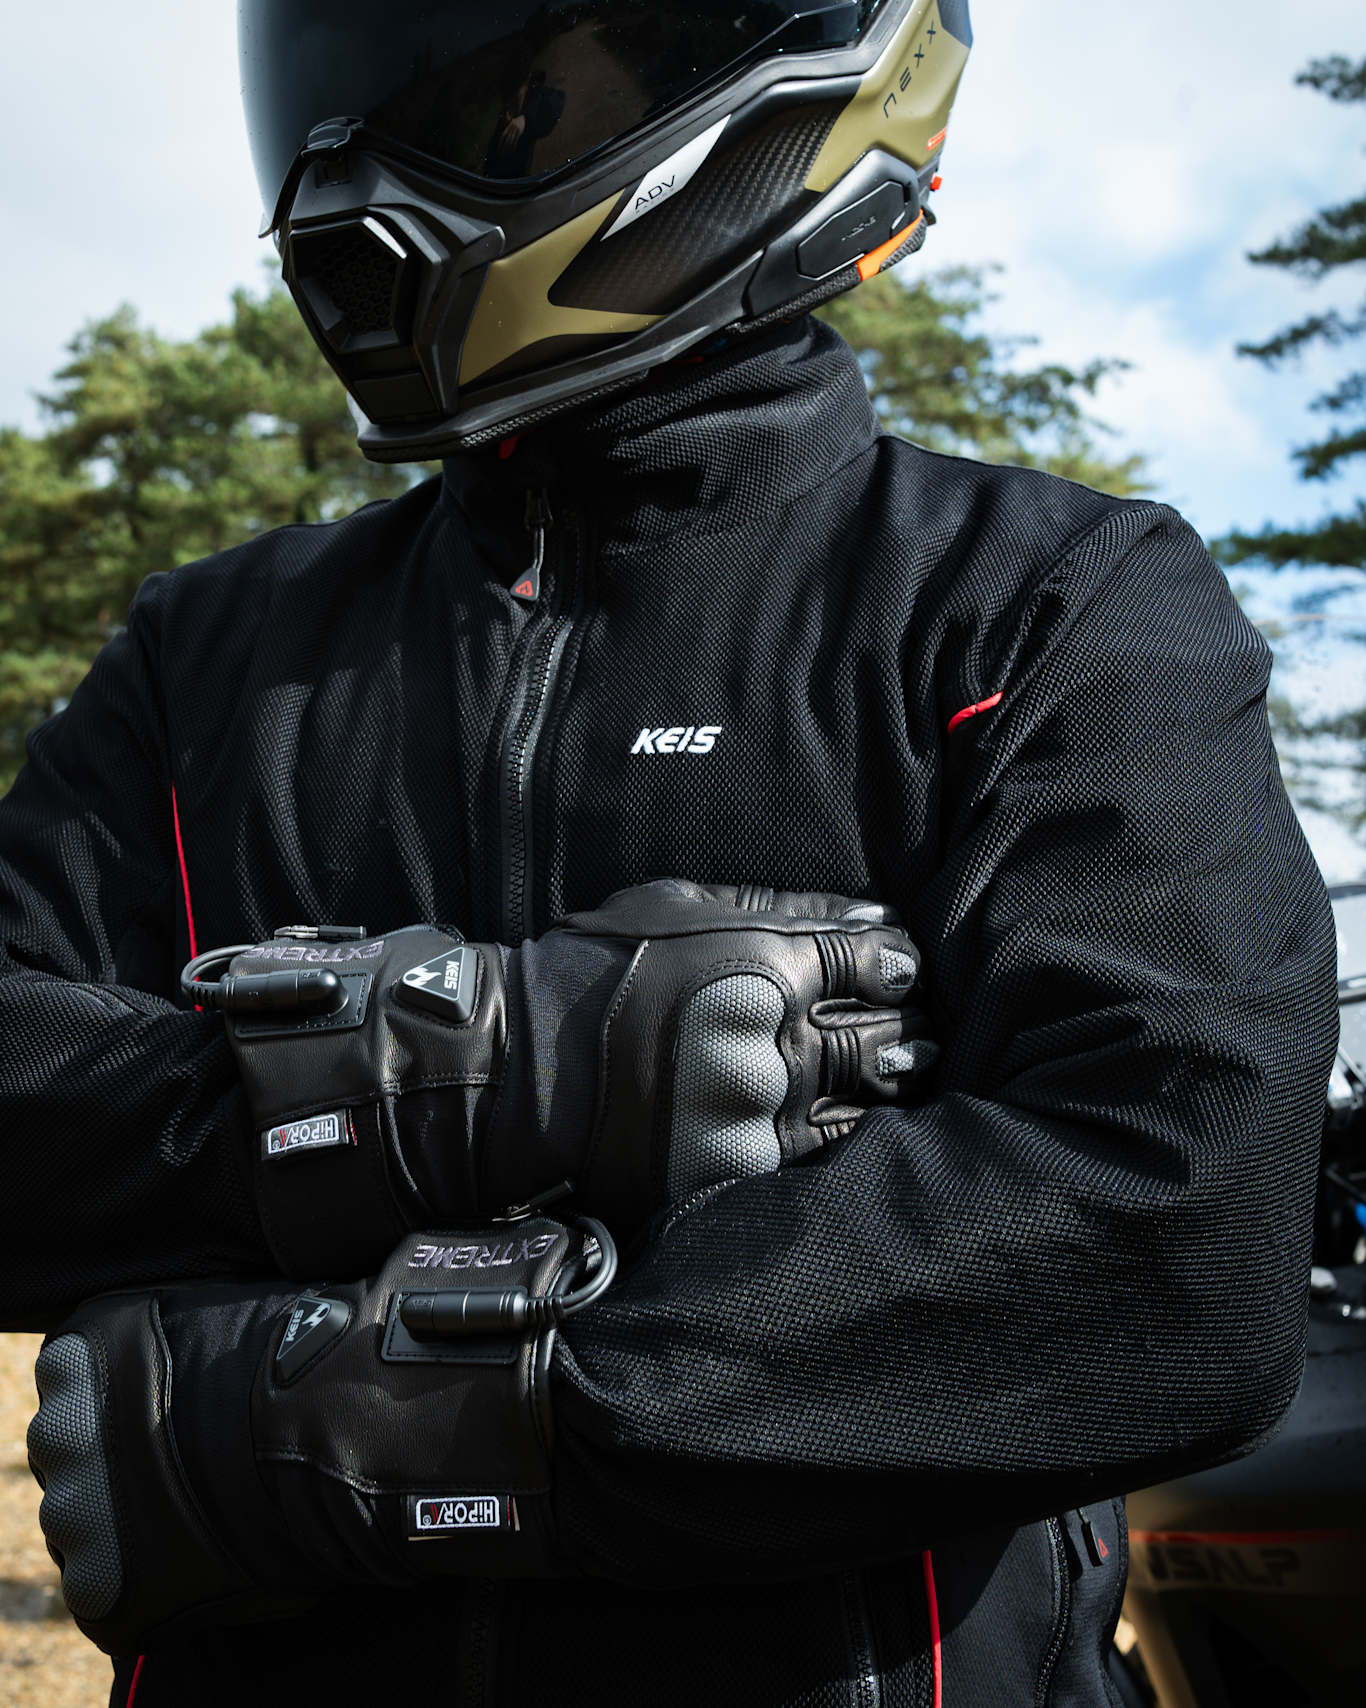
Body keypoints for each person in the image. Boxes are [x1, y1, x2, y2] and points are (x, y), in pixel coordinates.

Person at [8, 3, 1338, 1704]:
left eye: (501, 84)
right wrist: (462, 1081)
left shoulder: (1034, 602)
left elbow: (1174, 1238)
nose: (369, 152)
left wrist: (380, 1425)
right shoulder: (213, 659)